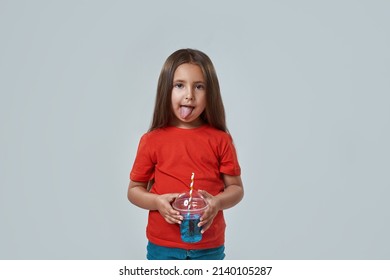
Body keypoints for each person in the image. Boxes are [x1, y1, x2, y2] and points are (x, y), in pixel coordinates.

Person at [128, 48, 243, 260]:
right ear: (166, 90)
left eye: (199, 87)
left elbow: (236, 189)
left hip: (209, 246)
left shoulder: (220, 139)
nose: (189, 94)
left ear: (211, 93)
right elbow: (134, 190)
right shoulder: (152, 140)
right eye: (179, 85)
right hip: (162, 246)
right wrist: (157, 202)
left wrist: (217, 202)